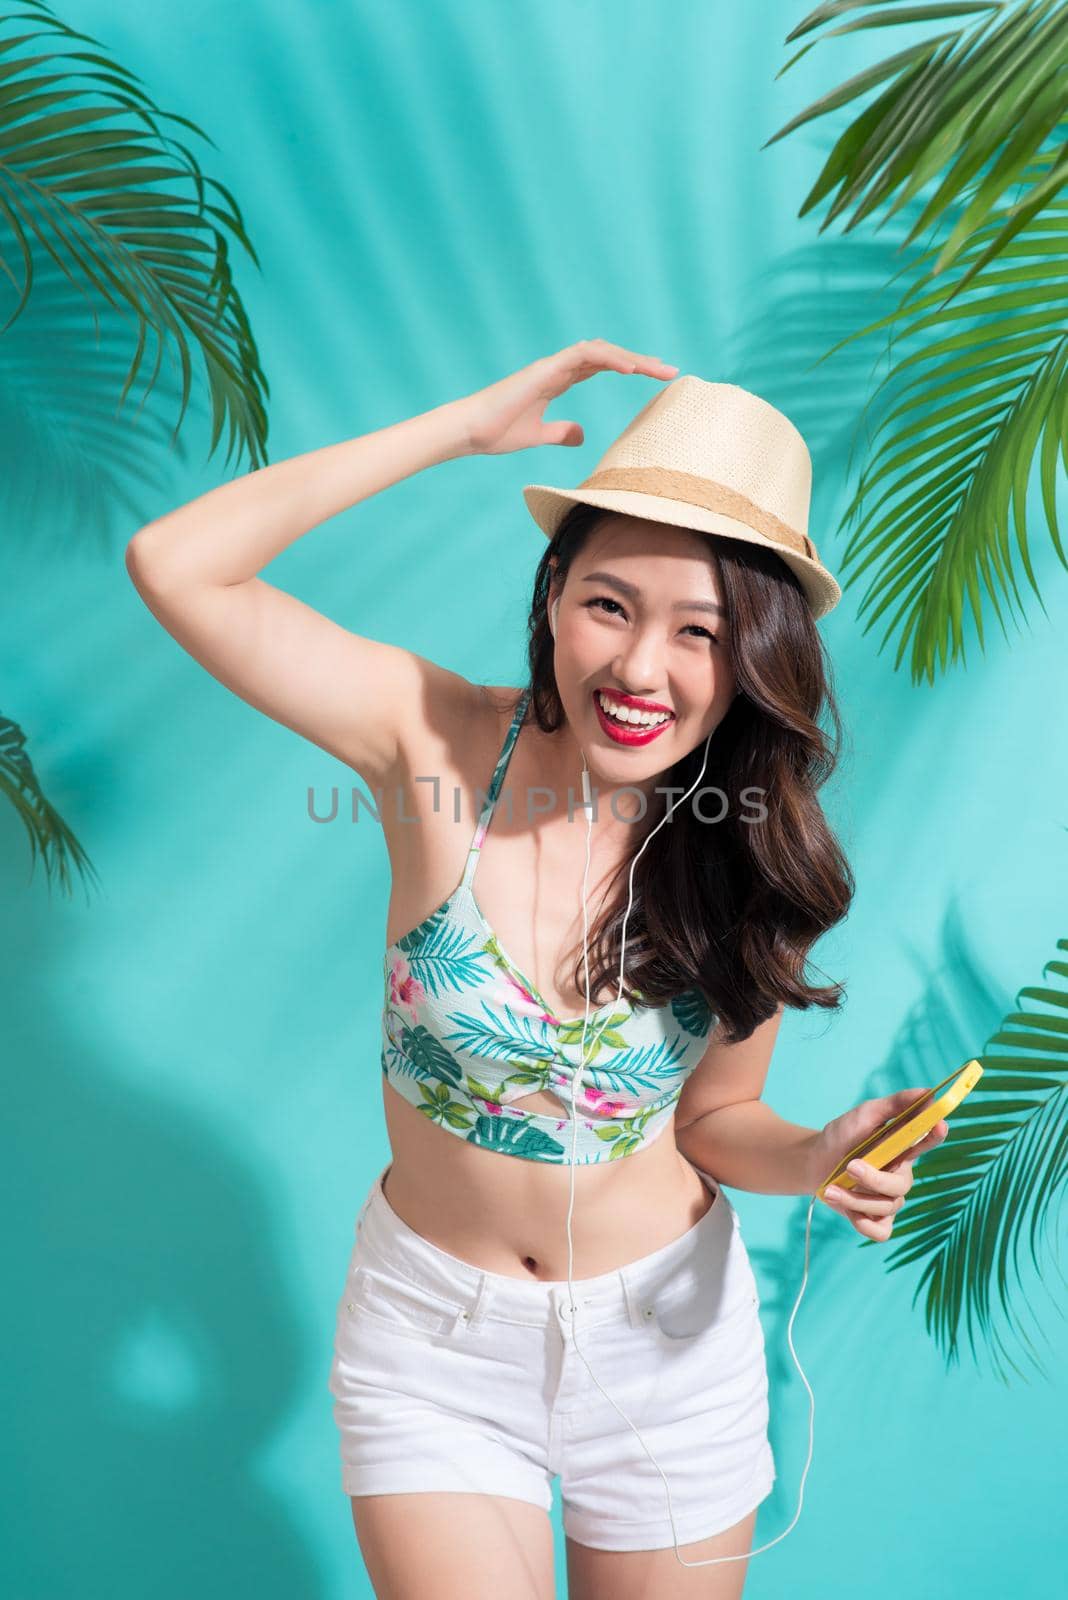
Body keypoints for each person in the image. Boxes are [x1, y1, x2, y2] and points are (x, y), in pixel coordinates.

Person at [125, 339, 948, 1600]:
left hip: (667, 1352)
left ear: (754, 659)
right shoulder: (429, 738)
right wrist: (459, 428)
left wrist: (822, 1155)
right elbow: (175, 563)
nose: (638, 669)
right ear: (555, 592)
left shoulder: (746, 853)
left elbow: (718, 1119)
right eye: (608, 603)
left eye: (700, 632)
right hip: (434, 1348)